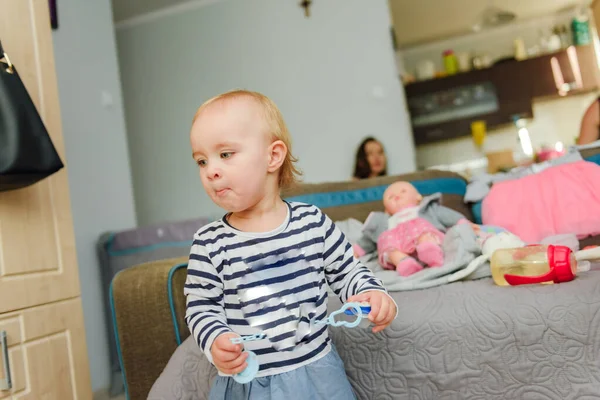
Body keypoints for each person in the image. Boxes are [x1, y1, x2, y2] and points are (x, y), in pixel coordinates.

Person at [184, 89, 397, 400]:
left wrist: (372, 292)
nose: (211, 171)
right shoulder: (209, 242)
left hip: (317, 376)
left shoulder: (310, 222)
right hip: (249, 383)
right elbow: (201, 307)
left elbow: (347, 271)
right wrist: (215, 339)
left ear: (273, 156)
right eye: (201, 161)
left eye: (225, 154)